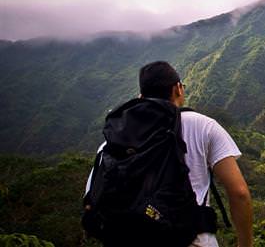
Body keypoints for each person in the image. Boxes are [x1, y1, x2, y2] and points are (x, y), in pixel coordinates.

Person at [85, 61, 253, 247]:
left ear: (141, 96)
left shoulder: (115, 139)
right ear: (178, 89)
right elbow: (239, 193)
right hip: (193, 240)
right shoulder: (204, 127)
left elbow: (92, 199)